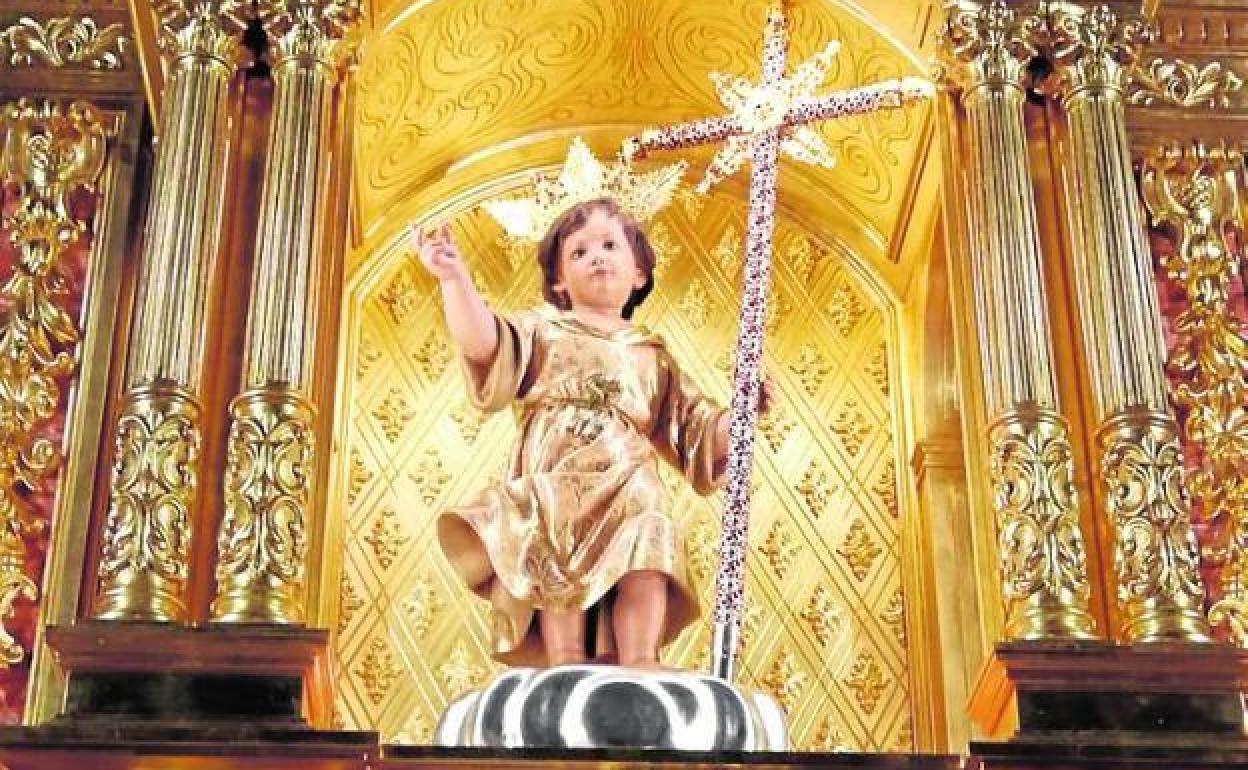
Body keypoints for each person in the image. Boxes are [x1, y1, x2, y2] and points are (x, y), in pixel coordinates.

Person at [411, 197, 772, 669]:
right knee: (555, 547)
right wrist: (454, 279)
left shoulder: (651, 355)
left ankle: (640, 657)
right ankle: (565, 661)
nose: (597, 257)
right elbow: (484, 344)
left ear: (639, 271)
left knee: (649, 535)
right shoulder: (543, 329)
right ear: (559, 280)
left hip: (629, 476)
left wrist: (742, 411)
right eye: (579, 252)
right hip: (559, 471)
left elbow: (698, 431)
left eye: (609, 245)